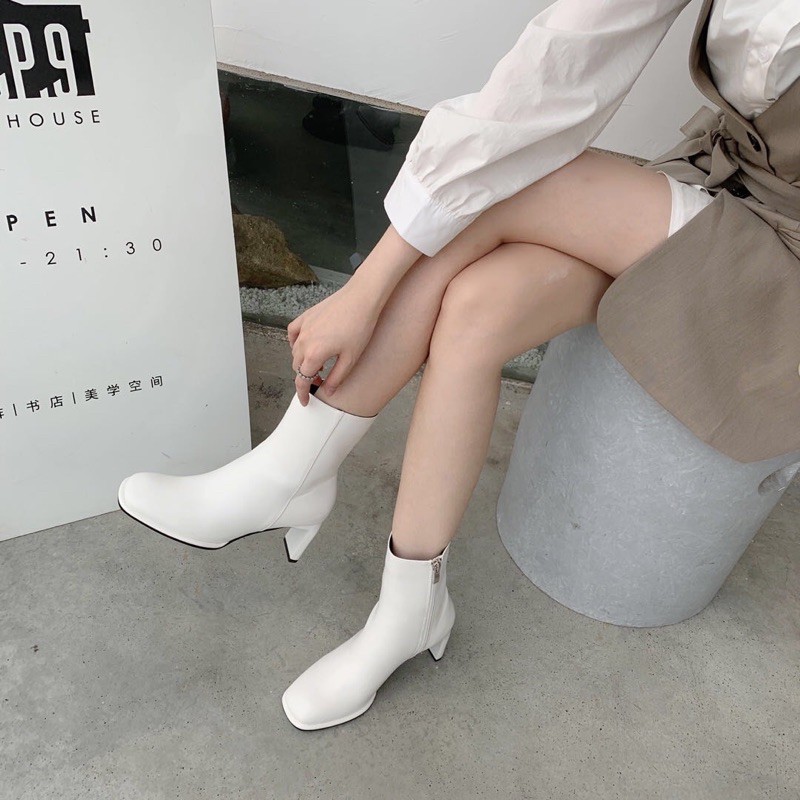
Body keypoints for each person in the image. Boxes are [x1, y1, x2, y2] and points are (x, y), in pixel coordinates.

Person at [118, 0, 800, 730]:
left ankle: (290, 471)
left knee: (515, 180)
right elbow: (562, 60)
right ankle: (411, 608)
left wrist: (364, 291)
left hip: (783, 261)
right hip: (724, 194)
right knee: (479, 307)